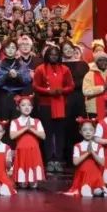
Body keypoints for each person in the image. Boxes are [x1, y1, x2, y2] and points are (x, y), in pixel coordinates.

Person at [32, 45, 74, 174]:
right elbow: (35, 86)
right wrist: (48, 91)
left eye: (56, 54)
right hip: (46, 105)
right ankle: (50, 160)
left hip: (61, 104)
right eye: (51, 54)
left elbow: (71, 86)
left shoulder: (65, 69)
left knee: (60, 133)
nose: (54, 57)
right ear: (47, 55)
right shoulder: (40, 69)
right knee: (48, 133)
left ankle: (59, 160)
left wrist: (62, 90)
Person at [10, 94, 46, 188]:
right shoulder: (15, 122)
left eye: (29, 105)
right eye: (23, 105)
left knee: (33, 185)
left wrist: (31, 129)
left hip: (33, 151)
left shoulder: (36, 121)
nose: (26, 107)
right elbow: (12, 136)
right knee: (22, 185)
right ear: (18, 108)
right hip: (22, 152)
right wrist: (25, 128)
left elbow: (43, 136)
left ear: (32, 107)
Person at [65, 117, 107, 197]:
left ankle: (95, 189)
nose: (88, 132)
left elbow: (102, 162)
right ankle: (88, 189)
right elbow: (75, 162)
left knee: (97, 190)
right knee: (85, 191)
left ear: (94, 131)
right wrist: (87, 153)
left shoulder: (99, 146)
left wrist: (93, 153)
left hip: (95, 176)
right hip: (82, 175)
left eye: (90, 130)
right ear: (80, 132)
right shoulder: (78, 146)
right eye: (85, 130)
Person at [61, 41, 89, 160]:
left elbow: (86, 81)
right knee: (66, 126)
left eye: (70, 48)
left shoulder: (83, 64)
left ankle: (81, 154)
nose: (68, 50)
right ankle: (67, 157)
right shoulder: (60, 65)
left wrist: (71, 84)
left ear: (74, 49)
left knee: (80, 124)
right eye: (65, 49)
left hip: (79, 98)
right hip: (65, 98)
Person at [0, 38, 31, 121]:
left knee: (17, 123)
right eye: (8, 47)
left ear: (16, 49)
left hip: (18, 97)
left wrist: (17, 76)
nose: (10, 50)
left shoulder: (22, 65)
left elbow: (27, 80)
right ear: (4, 49)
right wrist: (7, 75)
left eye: (13, 48)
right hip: (3, 97)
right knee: (3, 123)